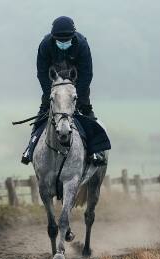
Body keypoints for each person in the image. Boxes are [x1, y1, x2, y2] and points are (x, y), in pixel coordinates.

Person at [21, 16, 109, 166]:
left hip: (77, 86)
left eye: (66, 39)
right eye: (59, 40)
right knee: (43, 112)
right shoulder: (45, 45)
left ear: (73, 36)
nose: (63, 42)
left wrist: (77, 96)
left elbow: (87, 74)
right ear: (53, 37)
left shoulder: (82, 45)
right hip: (53, 86)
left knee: (86, 111)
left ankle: (96, 151)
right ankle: (30, 148)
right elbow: (41, 72)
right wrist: (50, 92)